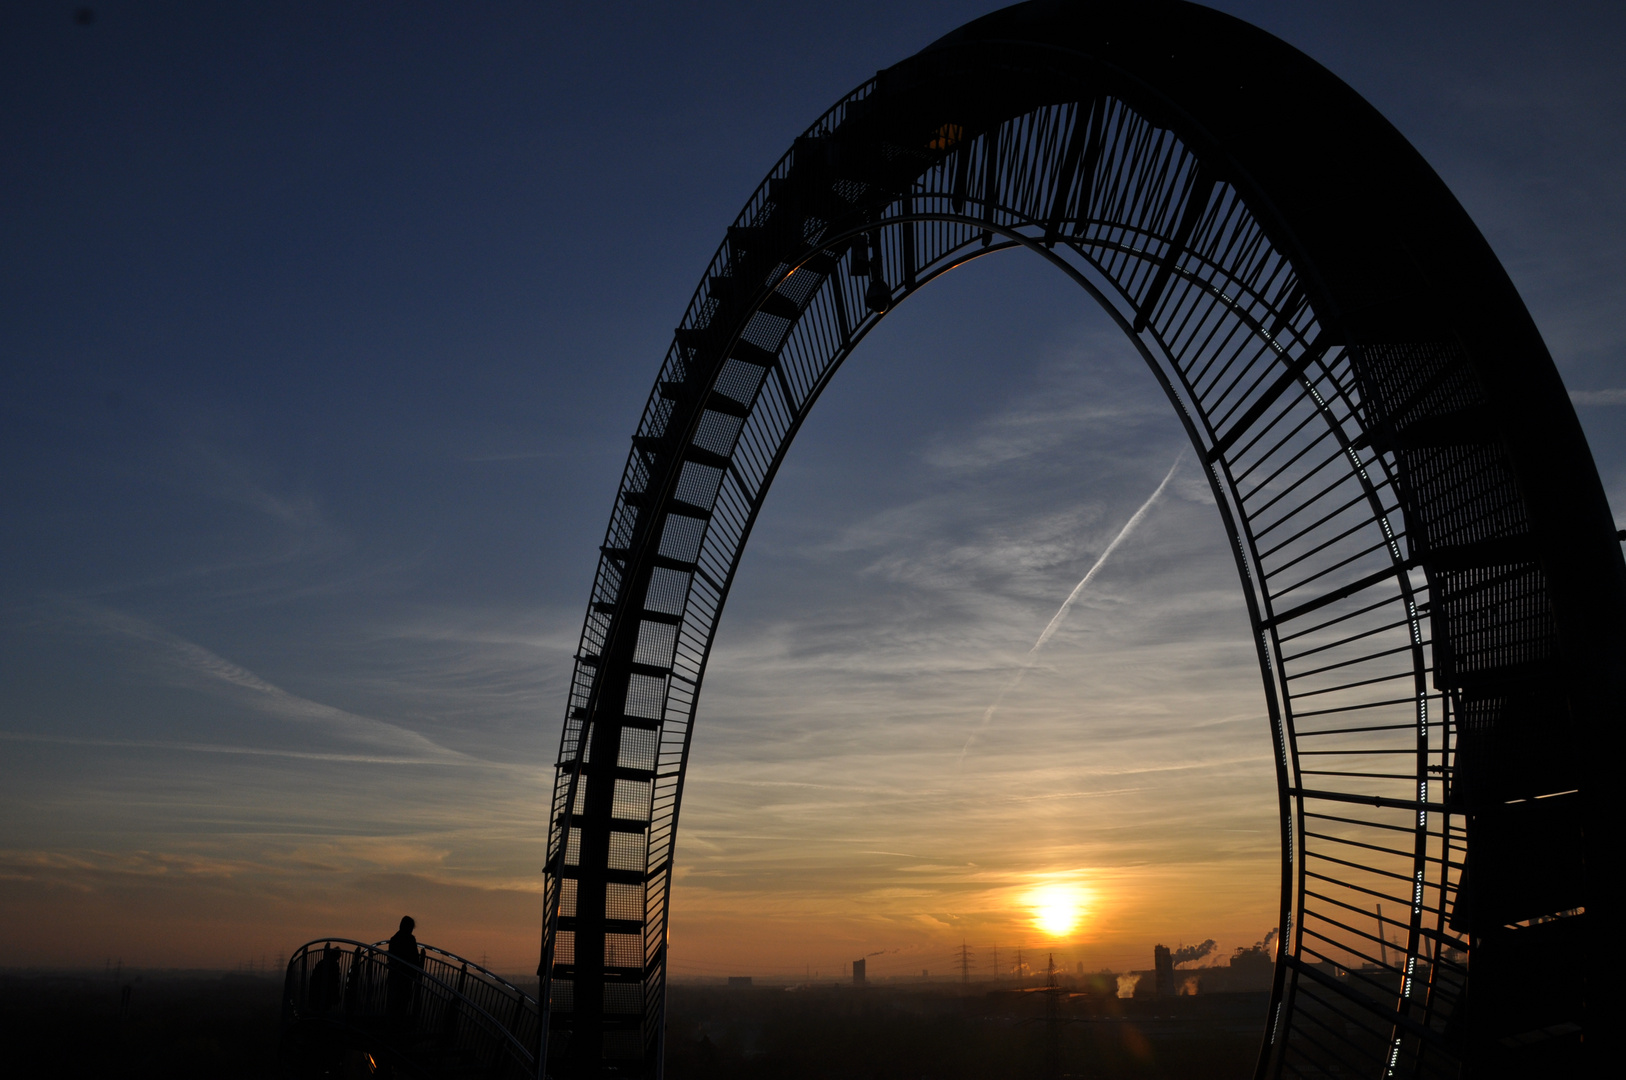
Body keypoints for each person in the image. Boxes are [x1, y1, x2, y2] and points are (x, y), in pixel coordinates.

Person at [385, 916, 424, 1026]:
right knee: (403, 1000)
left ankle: (393, 1022)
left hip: (396, 975)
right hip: (406, 976)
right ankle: (398, 1023)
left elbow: (391, 957)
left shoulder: (394, 939)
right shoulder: (410, 939)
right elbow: (415, 958)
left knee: (394, 1000)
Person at [309, 943, 341, 1013]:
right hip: (325, 992)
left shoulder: (321, 963)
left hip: (316, 992)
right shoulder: (334, 966)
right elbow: (334, 982)